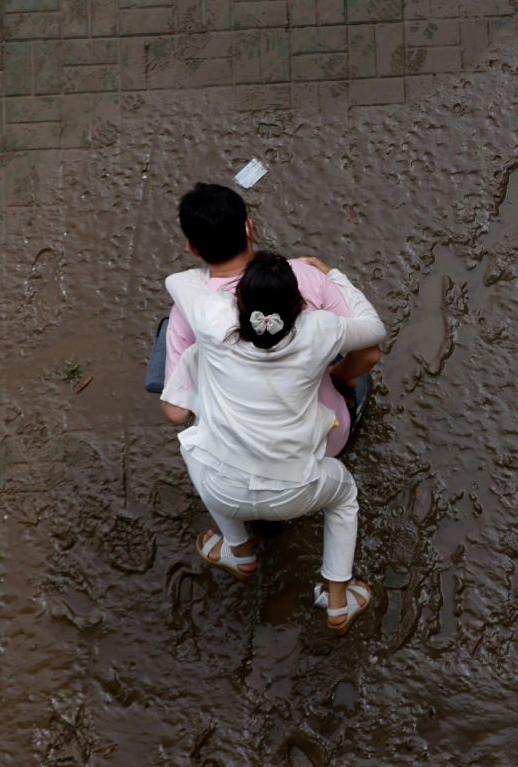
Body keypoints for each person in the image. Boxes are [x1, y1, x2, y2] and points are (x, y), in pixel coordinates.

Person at [162, 252, 386, 634]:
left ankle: (238, 550)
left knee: (195, 447)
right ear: (298, 307)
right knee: (344, 496)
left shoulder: (213, 323)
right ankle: (338, 601)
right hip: (294, 487)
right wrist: (332, 274)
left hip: (221, 487)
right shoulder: (319, 328)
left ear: (239, 305)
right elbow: (373, 329)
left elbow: (176, 281)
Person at [160, 183, 378, 458]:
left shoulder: (190, 309)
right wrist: (340, 376)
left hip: (244, 454)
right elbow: (368, 353)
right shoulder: (305, 275)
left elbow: (177, 412)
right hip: (322, 442)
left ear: (192, 247)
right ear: (250, 228)